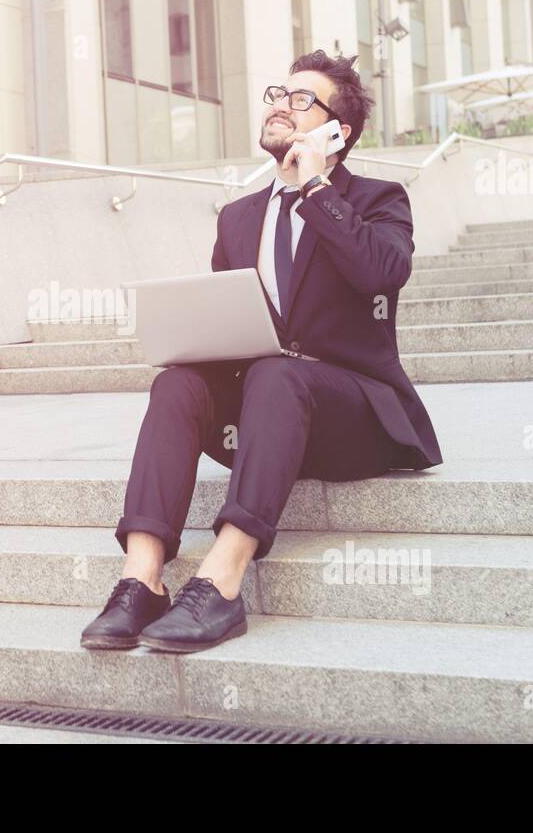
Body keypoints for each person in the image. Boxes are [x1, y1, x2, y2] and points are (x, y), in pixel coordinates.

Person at [81, 49, 443, 653]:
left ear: (338, 131)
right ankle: (141, 580)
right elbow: (231, 326)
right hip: (266, 420)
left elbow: (381, 272)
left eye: (303, 99)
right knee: (177, 383)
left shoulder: (379, 198)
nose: (280, 104)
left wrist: (317, 188)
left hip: (352, 417)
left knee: (278, 374)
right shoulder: (237, 219)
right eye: (279, 93)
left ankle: (221, 584)